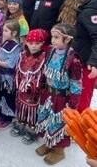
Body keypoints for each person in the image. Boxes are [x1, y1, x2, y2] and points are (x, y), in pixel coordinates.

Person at [35, 23, 82, 165]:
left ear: (67, 40)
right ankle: (49, 143)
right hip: (48, 94)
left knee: (59, 122)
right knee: (47, 119)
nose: (53, 40)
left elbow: (76, 83)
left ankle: (59, 150)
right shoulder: (50, 51)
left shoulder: (73, 60)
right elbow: (45, 70)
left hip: (62, 98)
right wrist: (41, 86)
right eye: (52, 37)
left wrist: (73, 104)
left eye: (57, 37)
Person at [58, 0, 97, 112]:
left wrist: (93, 62)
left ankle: (79, 126)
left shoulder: (89, 12)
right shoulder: (86, 8)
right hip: (80, 58)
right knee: (75, 94)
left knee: (82, 96)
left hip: (87, 63)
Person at [10, 29, 47, 145]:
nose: (34, 46)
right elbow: (18, 71)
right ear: (26, 42)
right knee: (21, 106)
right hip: (22, 88)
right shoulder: (23, 55)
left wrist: (37, 86)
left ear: (42, 44)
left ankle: (31, 131)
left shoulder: (44, 57)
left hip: (35, 91)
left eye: (37, 43)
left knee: (32, 111)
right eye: (31, 43)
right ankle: (20, 123)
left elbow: (44, 75)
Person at [0, 20, 22, 129]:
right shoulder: (6, 43)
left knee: (8, 96)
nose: (3, 32)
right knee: (1, 95)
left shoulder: (16, 47)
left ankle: (8, 117)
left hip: (8, 77)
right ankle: (2, 115)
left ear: (14, 33)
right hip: (1, 74)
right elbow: (2, 55)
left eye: (6, 30)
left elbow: (11, 63)